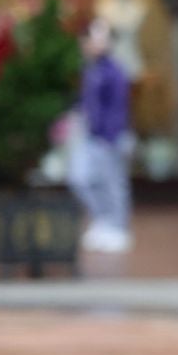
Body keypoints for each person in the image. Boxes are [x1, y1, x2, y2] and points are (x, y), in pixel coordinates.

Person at [70, 15, 134, 253]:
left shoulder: (114, 71)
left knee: (114, 183)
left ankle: (118, 227)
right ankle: (103, 220)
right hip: (90, 135)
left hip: (110, 137)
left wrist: (110, 136)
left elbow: (118, 108)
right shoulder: (90, 69)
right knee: (81, 179)